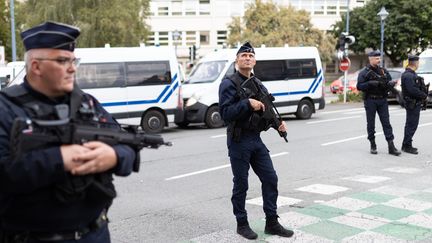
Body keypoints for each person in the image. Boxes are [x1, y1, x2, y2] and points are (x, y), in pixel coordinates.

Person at [0, 21, 136, 242]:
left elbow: (127, 143)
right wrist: (60, 159)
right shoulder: (6, 108)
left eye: (74, 61)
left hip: (94, 234)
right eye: (63, 61)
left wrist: (114, 156)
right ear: (36, 66)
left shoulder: (87, 104)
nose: (73, 68)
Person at [218, 42, 293, 240]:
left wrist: (278, 125)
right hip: (238, 139)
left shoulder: (259, 84)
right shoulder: (229, 83)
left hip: (255, 139)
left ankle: (272, 222)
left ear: (255, 60)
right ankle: (242, 224)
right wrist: (247, 104)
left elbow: (268, 110)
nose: (247, 58)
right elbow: (225, 114)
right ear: (237, 60)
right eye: (243, 55)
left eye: (251, 56)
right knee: (241, 184)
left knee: (270, 179)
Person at [356, 50, 401, 156]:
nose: (379, 60)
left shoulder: (383, 71)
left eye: (379, 58)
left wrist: (391, 84)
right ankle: (373, 144)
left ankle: (391, 146)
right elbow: (359, 86)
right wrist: (370, 83)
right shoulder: (364, 72)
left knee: (386, 123)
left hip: (382, 100)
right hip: (370, 100)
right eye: (376, 58)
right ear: (370, 59)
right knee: (371, 124)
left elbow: (388, 82)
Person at [401, 54, 428, 154]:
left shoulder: (411, 74)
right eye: (418, 62)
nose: (418, 64)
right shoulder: (408, 75)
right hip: (412, 103)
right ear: (415, 63)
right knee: (411, 124)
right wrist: (423, 95)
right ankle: (407, 146)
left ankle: (406, 144)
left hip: (414, 103)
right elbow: (412, 90)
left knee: (411, 124)